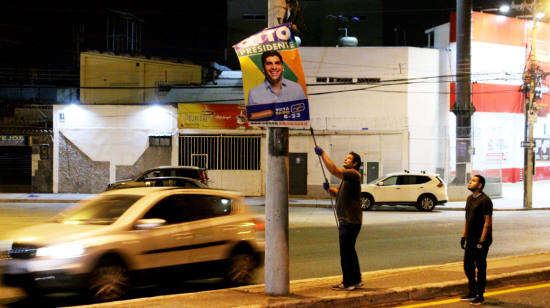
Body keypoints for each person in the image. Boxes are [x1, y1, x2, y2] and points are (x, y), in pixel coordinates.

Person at [314, 146, 363, 291]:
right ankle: (356, 280)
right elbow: (338, 193)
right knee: (350, 251)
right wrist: (329, 189)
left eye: (348, 158)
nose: (345, 159)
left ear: (354, 164)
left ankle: (348, 283)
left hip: (349, 221)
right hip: (349, 221)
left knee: (346, 253)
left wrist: (323, 154)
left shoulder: (353, 174)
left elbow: (334, 170)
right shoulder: (346, 179)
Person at [459, 175, 493, 306]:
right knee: (468, 266)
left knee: (480, 267)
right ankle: (472, 291)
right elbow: (468, 219)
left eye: (473, 180)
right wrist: (463, 236)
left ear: (480, 185)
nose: (470, 182)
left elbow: (488, 222)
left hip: (481, 240)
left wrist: (482, 241)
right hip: (470, 239)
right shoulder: (469, 199)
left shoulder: (485, 200)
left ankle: (480, 295)